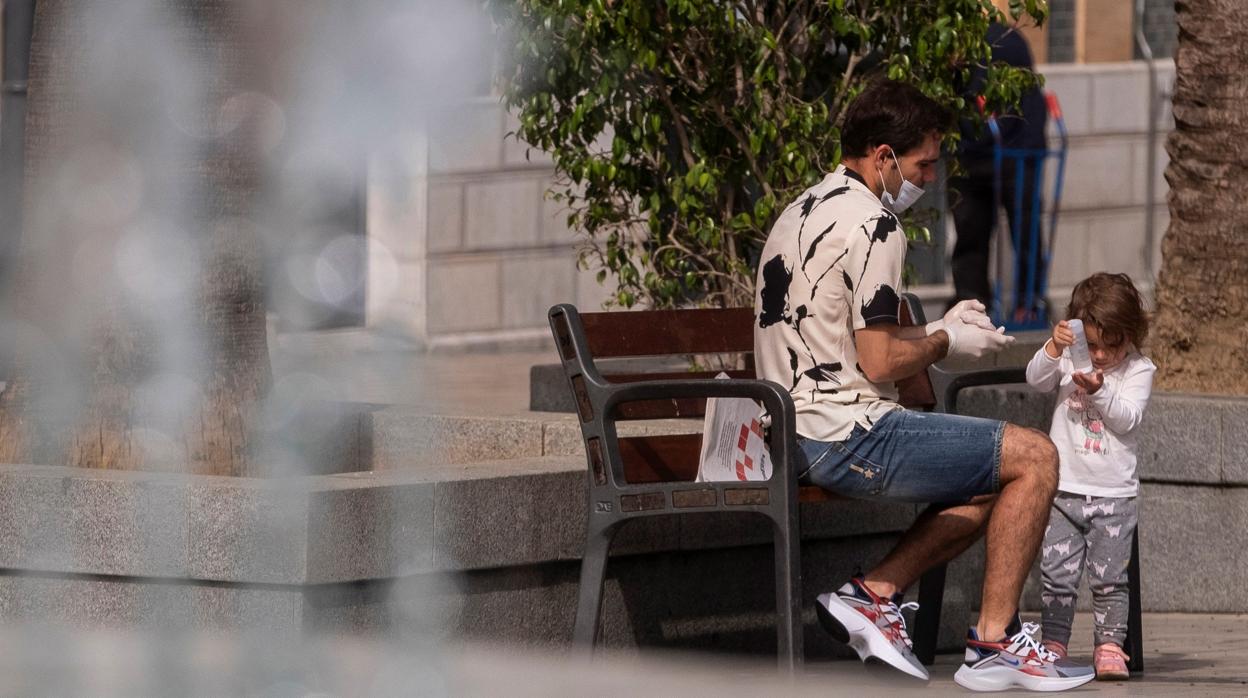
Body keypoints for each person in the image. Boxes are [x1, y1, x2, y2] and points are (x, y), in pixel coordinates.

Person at [753, 78, 1094, 691]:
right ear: (883, 157)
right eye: (922, 165)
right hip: (846, 433)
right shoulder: (876, 224)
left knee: (998, 474)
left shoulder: (805, 207)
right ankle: (993, 646)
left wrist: (936, 324)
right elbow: (881, 363)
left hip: (797, 428)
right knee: (1037, 458)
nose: (930, 179)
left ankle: (874, 593)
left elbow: (845, 341)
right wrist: (947, 341)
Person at [1025, 272, 1155, 681]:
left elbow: (1128, 420)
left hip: (1112, 495)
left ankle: (1110, 646)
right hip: (1063, 487)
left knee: (1109, 578)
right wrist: (1052, 348)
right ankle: (1055, 643)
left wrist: (1099, 390)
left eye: (1110, 346)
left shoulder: (1138, 369)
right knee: (1056, 574)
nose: (1099, 356)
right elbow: (1036, 379)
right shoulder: (1069, 357)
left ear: (1129, 336)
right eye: (1092, 345)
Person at [949, 23, 1048, 320]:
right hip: (970, 154)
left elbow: (1026, 101)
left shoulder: (1003, 41)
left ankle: (1028, 304)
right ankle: (973, 306)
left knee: (1025, 231)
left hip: (1015, 151)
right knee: (970, 233)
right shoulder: (950, 42)